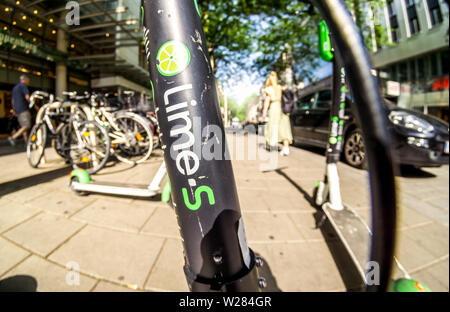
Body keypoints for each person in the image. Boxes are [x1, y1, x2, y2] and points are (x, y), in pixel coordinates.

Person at [261, 71, 293, 156]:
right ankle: (286, 148)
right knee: (284, 128)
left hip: (274, 108)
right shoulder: (280, 88)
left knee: (272, 126)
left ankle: (271, 145)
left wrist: (264, 112)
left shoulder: (269, 89)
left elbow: (267, 101)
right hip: (282, 108)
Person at [8, 75, 31, 146]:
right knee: (27, 126)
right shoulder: (23, 86)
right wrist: (33, 104)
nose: (28, 82)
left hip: (17, 110)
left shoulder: (15, 88)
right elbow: (27, 97)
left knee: (23, 127)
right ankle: (13, 137)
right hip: (23, 108)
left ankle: (27, 143)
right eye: (28, 80)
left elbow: (13, 100)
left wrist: (14, 110)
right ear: (25, 80)